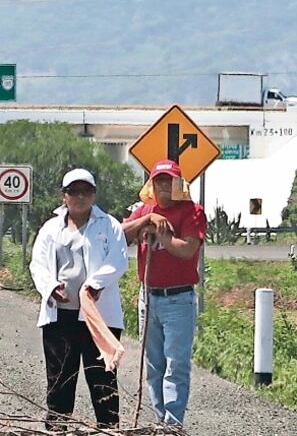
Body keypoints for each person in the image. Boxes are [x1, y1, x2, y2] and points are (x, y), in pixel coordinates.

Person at [29, 169, 128, 431]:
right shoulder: (51, 228)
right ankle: (58, 427)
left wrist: (96, 285)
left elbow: (118, 260)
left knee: (102, 378)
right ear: (64, 196)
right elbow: (38, 264)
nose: (80, 197)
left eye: (86, 191)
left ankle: (108, 428)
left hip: (98, 316)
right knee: (60, 378)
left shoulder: (109, 225)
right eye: (74, 191)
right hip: (60, 316)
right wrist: (50, 288)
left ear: (94, 195)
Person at [122, 160, 206, 427]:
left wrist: (161, 234)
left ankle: (173, 424)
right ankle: (160, 420)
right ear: (152, 184)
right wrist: (147, 220)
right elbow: (119, 235)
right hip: (148, 296)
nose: (164, 185)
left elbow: (186, 250)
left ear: (179, 184)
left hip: (178, 299)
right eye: (159, 180)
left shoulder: (192, 211)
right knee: (154, 364)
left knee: (176, 364)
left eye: (170, 180)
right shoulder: (143, 210)